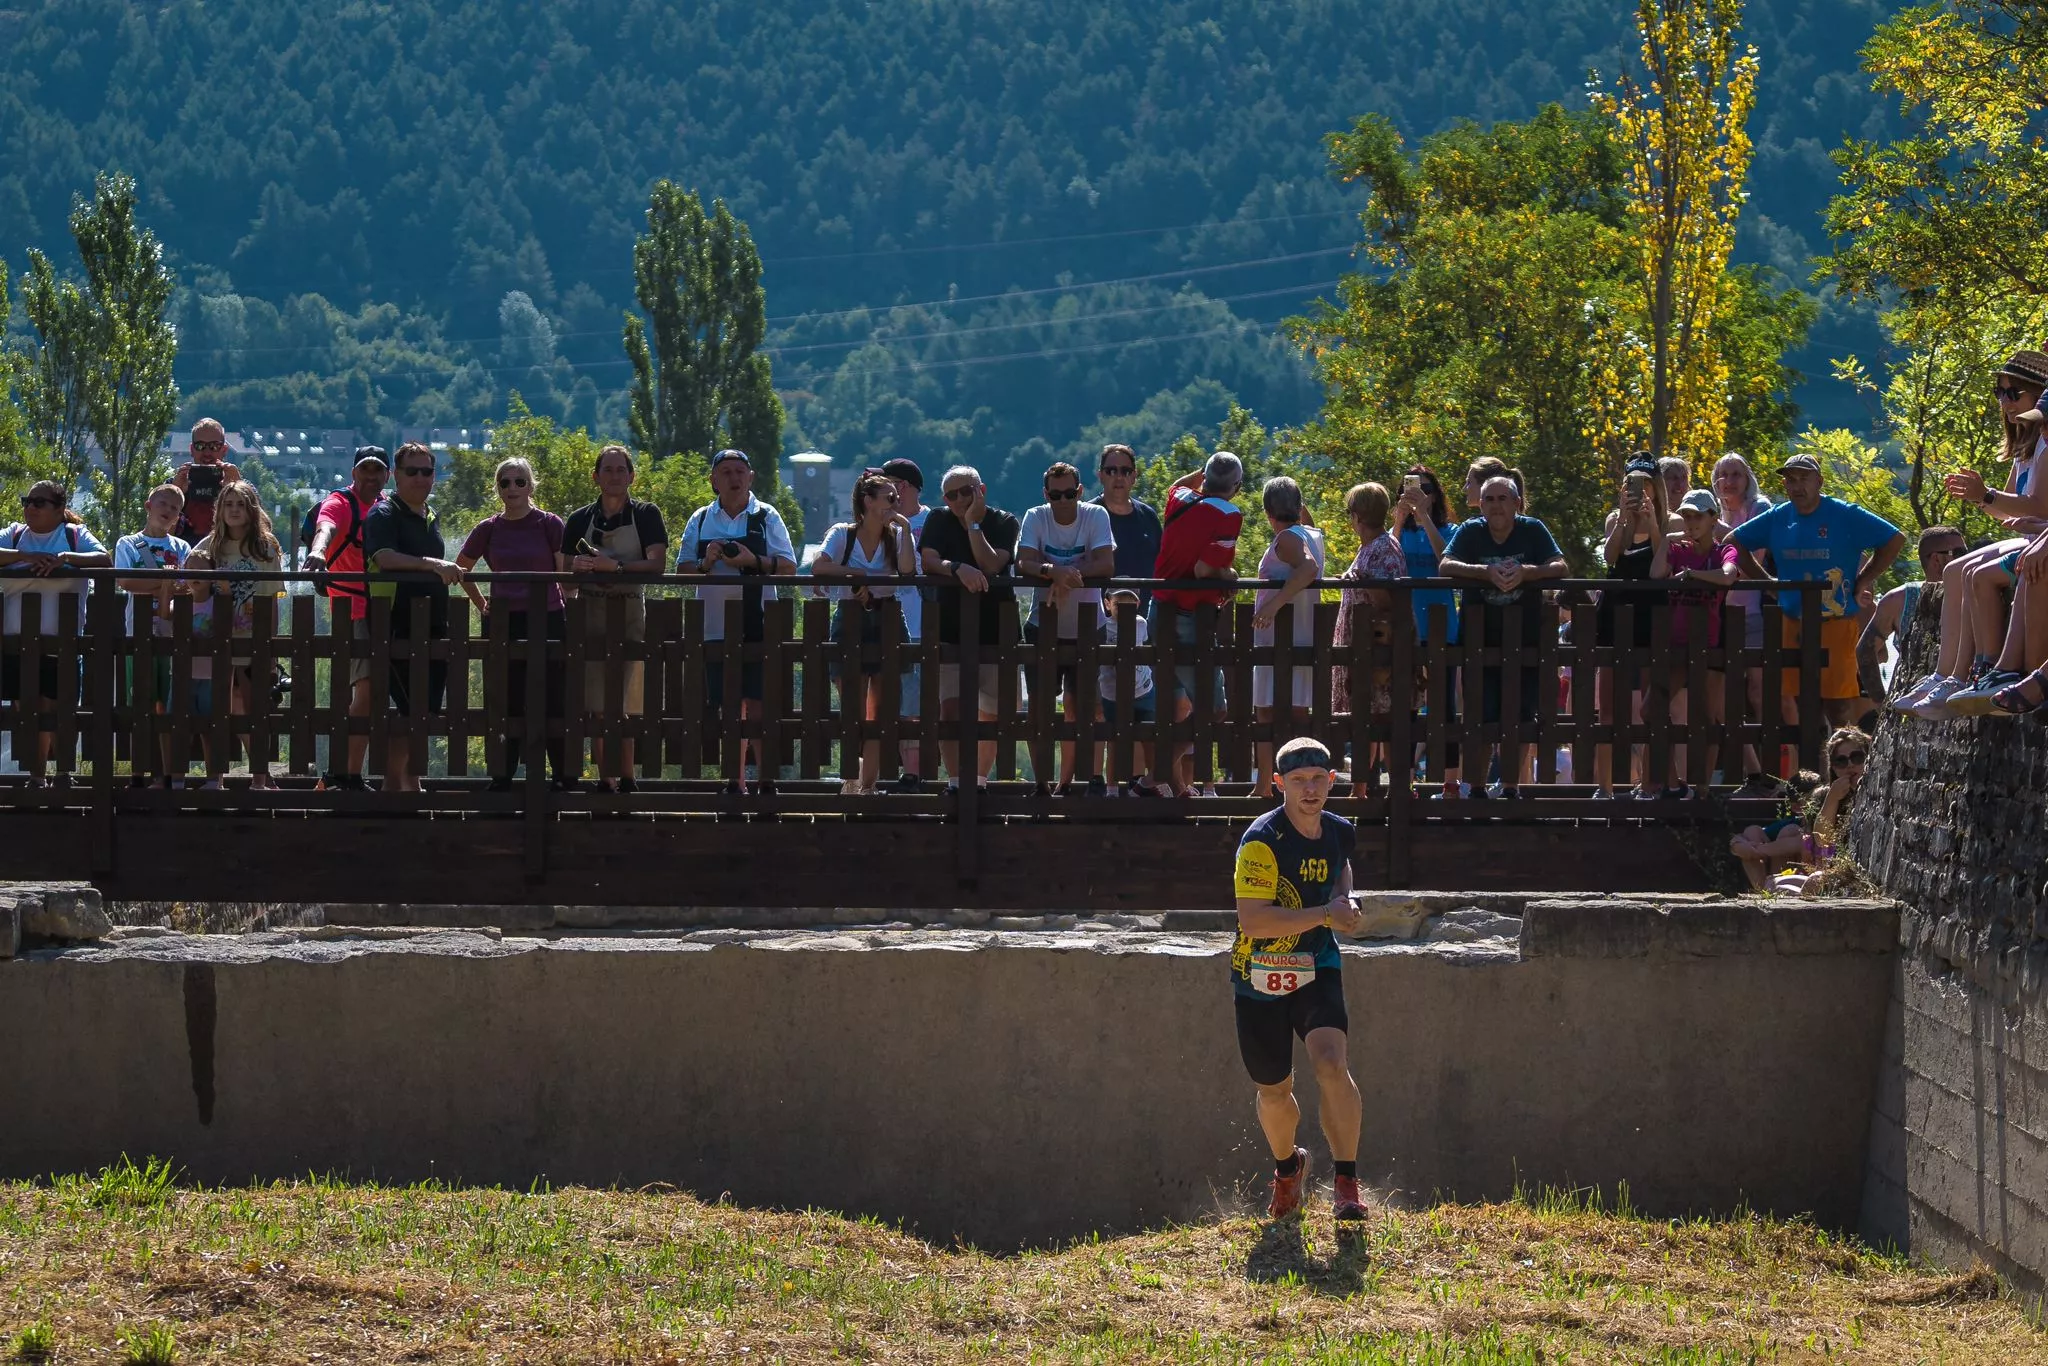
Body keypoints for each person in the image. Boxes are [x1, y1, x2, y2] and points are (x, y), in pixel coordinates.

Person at [1231, 737, 1368, 1225]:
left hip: (1317, 969)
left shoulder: (1338, 832)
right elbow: (1255, 922)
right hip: (1258, 978)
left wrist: (1345, 900)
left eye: (1317, 780)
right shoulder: (1262, 842)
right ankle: (1289, 1169)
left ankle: (1347, 1182)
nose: (1309, 790)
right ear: (1278, 785)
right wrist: (1325, 915)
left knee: (1331, 1063)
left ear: (1333, 781)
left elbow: (1340, 870)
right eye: (1297, 781)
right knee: (1273, 1091)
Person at [1899, 351, 2048, 716]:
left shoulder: (2043, 446)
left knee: (1980, 574)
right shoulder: (2025, 448)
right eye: (2000, 393)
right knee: (1955, 570)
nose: (2006, 402)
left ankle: (1992, 670)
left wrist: (1989, 496)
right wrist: (1983, 500)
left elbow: (2035, 506)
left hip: (2037, 539)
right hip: (2033, 537)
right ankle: (1949, 673)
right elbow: (2012, 510)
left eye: (2014, 393)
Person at [1728, 452, 1906, 736]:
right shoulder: (1778, 517)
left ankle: (1844, 773)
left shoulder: (1844, 514)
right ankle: (1810, 776)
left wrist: (1863, 579)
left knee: (1838, 708)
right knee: (1798, 707)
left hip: (1835, 621)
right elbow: (1733, 542)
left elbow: (1894, 539)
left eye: (1803, 478)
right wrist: (1768, 583)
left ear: (1819, 481)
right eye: (1790, 480)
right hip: (1792, 622)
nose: (1797, 486)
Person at [1438, 475, 1568, 798]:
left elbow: (1560, 565)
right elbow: (1445, 564)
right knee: (1480, 714)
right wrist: (1486, 573)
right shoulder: (1470, 531)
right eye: (1489, 499)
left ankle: (1511, 785)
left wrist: (1527, 572)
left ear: (1517, 503)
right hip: (1478, 642)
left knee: (1521, 714)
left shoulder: (1532, 529)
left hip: (1525, 641)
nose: (1496, 505)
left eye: (1503, 498)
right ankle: (1477, 788)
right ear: (1480, 505)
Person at [676, 449, 798, 794]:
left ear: (751, 477)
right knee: (729, 707)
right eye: (726, 472)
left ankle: (765, 780)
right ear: (713, 480)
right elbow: (681, 571)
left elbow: (789, 567)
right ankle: (734, 780)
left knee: (759, 705)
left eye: (740, 471)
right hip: (714, 627)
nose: (734, 478)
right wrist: (707, 560)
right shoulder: (700, 519)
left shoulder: (766, 516)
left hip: (758, 622)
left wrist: (752, 560)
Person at [458, 456, 576, 791]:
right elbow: (462, 569)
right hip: (504, 621)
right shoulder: (488, 528)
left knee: (554, 697)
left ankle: (564, 775)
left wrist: (571, 606)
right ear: (497, 488)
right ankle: (502, 775)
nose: (512, 488)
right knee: (504, 698)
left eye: (519, 481)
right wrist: (482, 604)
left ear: (531, 486)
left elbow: (563, 574)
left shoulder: (549, 524)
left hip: (549, 617)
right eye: (505, 482)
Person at [563, 444, 669, 793]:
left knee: (627, 701)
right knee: (595, 704)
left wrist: (617, 568)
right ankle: (605, 780)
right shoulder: (578, 519)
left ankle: (628, 777)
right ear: (595, 477)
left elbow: (657, 564)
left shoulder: (646, 514)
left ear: (631, 476)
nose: (614, 476)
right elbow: (563, 581)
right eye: (607, 470)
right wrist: (577, 568)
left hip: (629, 614)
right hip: (590, 616)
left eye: (620, 469)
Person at [364, 442, 461, 794]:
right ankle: (395, 787)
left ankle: (410, 781)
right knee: (409, 708)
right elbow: (385, 557)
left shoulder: (430, 515)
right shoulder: (384, 514)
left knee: (425, 708)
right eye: (412, 471)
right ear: (395, 476)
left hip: (432, 622)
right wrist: (432, 564)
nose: (421, 478)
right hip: (395, 623)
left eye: (427, 471)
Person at [812, 472, 918, 794]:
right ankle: (852, 778)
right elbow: (820, 566)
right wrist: (857, 575)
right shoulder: (842, 534)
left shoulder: (897, 536)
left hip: (886, 617)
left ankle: (867, 786)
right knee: (853, 710)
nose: (894, 504)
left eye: (896, 499)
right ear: (867, 501)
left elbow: (907, 572)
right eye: (888, 498)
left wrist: (907, 530)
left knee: (880, 711)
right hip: (850, 618)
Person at [918, 464, 1020, 789]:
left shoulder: (1004, 521)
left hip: (996, 626)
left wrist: (973, 524)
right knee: (950, 710)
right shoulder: (937, 519)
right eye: (952, 495)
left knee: (994, 711)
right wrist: (957, 568)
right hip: (949, 627)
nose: (960, 499)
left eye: (967, 491)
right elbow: (929, 560)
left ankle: (978, 781)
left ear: (982, 490)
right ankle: (955, 782)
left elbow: (991, 564)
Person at [1149, 452, 1245, 798]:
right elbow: (1205, 571)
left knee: (1174, 706)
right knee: (1212, 709)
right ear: (1236, 487)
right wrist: (1231, 574)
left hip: (1158, 610)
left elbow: (1177, 485)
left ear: (1203, 478)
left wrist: (1204, 473)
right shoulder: (1229, 514)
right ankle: (1155, 775)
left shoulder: (1180, 498)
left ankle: (1174, 786)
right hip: (1191, 618)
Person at [0, 480, 110, 773]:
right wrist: (26, 556)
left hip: (62, 643)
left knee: (57, 711)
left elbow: (104, 559)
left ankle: (59, 776)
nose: (29, 507)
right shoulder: (14, 535)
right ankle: (36, 777)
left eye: (39, 502)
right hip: (15, 642)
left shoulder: (74, 536)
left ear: (59, 509)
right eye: (27, 500)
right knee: (25, 710)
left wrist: (65, 559)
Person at [1019, 460, 1115, 793]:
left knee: (1086, 707)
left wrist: (1066, 575)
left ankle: (1089, 779)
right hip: (1043, 624)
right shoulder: (1035, 516)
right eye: (1056, 495)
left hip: (1088, 625)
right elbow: (1023, 561)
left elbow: (1107, 562)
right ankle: (1044, 781)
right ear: (1046, 495)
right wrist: (1054, 572)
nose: (1063, 501)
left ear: (1080, 491)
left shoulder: (1095, 515)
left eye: (1069, 494)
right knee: (1040, 708)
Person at [185, 480, 286, 789]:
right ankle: (215, 777)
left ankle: (259, 777)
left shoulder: (265, 547)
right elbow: (191, 582)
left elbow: (272, 599)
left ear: (251, 509)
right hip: (217, 639)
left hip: (253, 636)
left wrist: (269, 646)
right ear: (220, 510)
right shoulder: (210, 546)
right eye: (228, 504)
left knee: (253, 709)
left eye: (240, 505)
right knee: (218, 707)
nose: (234, 510)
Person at [301, 446, 390, 790]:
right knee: (365, 694)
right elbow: (326, 526)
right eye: (364, 470)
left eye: (377, 470)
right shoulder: (341, 502)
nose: (370, 476)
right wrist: (318, 551)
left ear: (387, 475)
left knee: (373, 696)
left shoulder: (386, 507)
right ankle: (346, 774)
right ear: (353, 473)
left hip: (383, 609)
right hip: (353, 611)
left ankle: (344, 773)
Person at [1592, 458, 1672, 800]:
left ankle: (1650, 782)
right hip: (1615, 614)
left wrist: (1653, 523)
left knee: (1651, 706)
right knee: (1608, 708)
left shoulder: (1672, 520)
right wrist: (1624, 520)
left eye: (1644, 483)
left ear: (1656, 488)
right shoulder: (1616, 518)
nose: (1637, 490)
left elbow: (1662, 566)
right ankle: (1605, 787)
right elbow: (1609, 559)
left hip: (1652, 616)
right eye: (1631, 483)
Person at [1249, 477, 1328, 792]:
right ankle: (1298, 781)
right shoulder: (1311, 533)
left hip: (1280, 638)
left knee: (1265, 713)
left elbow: (1307, 569)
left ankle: (1265, 784)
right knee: (1299, 715)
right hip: (1302, 637)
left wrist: (1273, 605)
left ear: (1268, 511)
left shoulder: (1287, 540)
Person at [114, 484, 193, 786]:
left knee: (169, 704)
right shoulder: (129, 543)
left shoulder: (182, 547)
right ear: (148, 505)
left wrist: (156, 584)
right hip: (139, 631)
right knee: (142, 702)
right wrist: (163, 584)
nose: (168, 510)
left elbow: (186, 585)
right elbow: (124, 580)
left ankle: (169, 773)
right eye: (163, 503)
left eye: (174, 508)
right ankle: (138, 773)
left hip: (173, 633)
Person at [1665, 489, 1741, 794]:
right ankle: (1673, 783)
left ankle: (1702, 788)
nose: (1692, 521)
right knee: (1652, 710)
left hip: (1710, 640)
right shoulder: (1677, 549)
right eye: (1686, 516)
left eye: (1698, 515)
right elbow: (1658, 573)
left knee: (1707, 716)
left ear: (1713, 518)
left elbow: (1727, 576)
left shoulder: (1724, 550)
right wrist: (1664, 541)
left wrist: (1690, 575)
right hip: (1676, 640)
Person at [1390, 464, 1459, 796]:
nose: (1421, 494)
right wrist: (1400, 518)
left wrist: (1424, 515)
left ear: (1437, 496)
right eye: (1414, 488)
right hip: (1406, 627)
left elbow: (1444, 557)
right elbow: (1386, 556)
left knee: (1444, 708)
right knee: (1405, 707)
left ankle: (1450, 781)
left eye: (1427, 489)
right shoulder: (1401, 531)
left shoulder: (1451, 530)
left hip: (1441, 625)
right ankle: (1405, 781)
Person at [1332, 483, 1407, 784]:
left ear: (1358, 516)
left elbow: (1390, 601)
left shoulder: (1384, 547)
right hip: (1363, 650)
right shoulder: (1370, 547)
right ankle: (1366, 788)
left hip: (1378, 652)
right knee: (1366, 723)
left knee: (1379, 723)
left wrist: (1360, 580)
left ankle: (1386, 790)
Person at [1711, 452, 1775, 790]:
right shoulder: (1712, 512)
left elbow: (1755, 557)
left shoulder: (1758, 508)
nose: (1729, 481)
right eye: (1723, 474)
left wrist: (1717, 531)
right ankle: (1749, 772)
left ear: (1747, 478)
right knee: (1724, 696)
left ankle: (1772, 771)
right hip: (1721, 616)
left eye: (1736, 473)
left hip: (1755, 612)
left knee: (1759, 691)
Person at [1864, 525, 1965, 708]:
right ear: (1937, 559)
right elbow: (1865, 650)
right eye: (1959, 552)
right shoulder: (1899, 599)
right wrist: (1882, 704)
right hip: (1910, 705)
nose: (1967, 557)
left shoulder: (1973, 593)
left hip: (1958, 703)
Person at [881, 456, 930, 788]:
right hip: (890, 623)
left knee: (918, 705)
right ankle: (898, 773)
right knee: (891, 705)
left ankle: (916, 774)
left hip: (924, 623)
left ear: (902, 487)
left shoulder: (934, 521)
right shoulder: (877, 523)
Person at [1097, 586, 1156, 793]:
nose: (1124, 609)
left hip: (1143, 688)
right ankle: (1112, 787)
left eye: (1130, 605)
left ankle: (1154, 782)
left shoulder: (1141, 623)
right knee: (1114, 740)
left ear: (1138, 605)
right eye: (1118, 604)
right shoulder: (1104, 626)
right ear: (1107, 604)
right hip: (1112, 692)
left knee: (1149, 736)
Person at [1092, 444, 1161, 611]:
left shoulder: (1149, 516)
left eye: (1125, 471)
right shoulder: (1089, 516)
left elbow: (1163, 564)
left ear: (1134, 476)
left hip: (1144, 621)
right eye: (1111, 471)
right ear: (1100, 475)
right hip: (1096, 620)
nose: (1119, 477)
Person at [172, 418, 242, 542]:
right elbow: (157, 533)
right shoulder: (176, 483)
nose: (207, 452)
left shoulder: (239, 484)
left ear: (224, 450)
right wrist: (175, 493)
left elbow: (261, 529)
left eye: (214, 446)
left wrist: (239, 491)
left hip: (227, 554)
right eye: (200, 446)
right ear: (192, 449)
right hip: (185, 555)